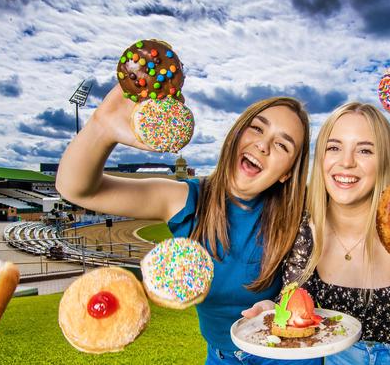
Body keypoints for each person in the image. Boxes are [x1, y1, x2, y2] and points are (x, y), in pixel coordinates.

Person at [56, 84, 317, 365]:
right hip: (221, 356)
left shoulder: (301, 214)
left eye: (282, 144)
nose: (263, 145)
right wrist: (102, 127)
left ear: (287, 172)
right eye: (256, 128)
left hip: (290, 353)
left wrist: (276, 309)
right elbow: (76, 189)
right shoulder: (187, 199)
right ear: (237, 133)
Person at [243, 102, 390, 364]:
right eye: (334, 147)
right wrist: (276, 314)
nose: (346, 162)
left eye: (365, 150)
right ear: (321, 157)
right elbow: (295, 309)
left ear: (384, 161)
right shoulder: (304, 229)